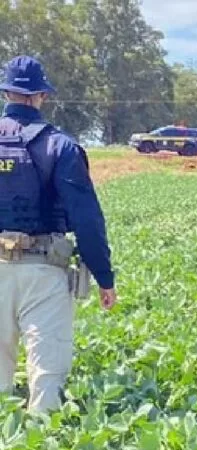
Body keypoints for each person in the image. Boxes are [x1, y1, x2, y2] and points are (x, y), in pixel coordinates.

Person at [0, 55, 117, 413]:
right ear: (40, 96)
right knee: (46, 374)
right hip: (44, 269)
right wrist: (103, 276)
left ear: (6, 91)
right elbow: (87, 219)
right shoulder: (60, 146)